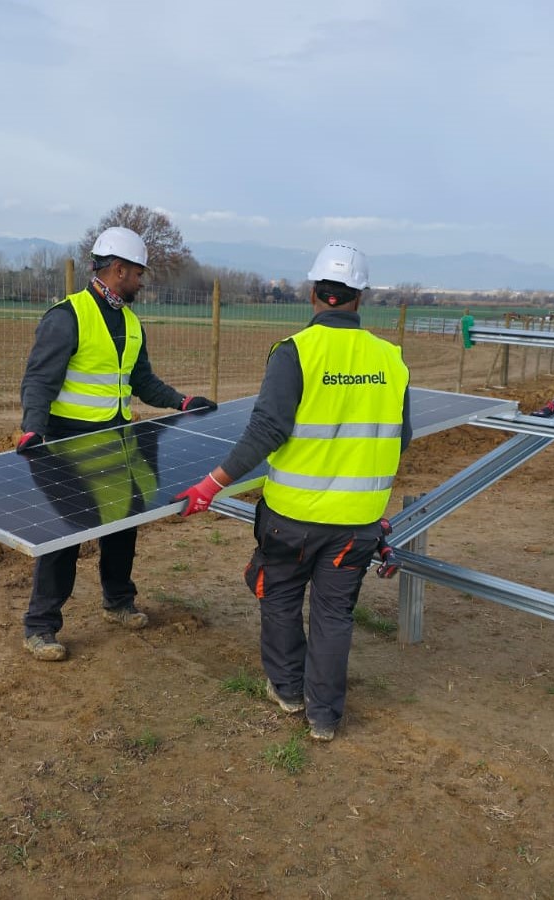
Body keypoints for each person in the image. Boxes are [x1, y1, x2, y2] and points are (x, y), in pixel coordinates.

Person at [175, 240, 411, 742]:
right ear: (358, 296)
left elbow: (267, 430)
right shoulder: (390, 358)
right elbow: (401, 437)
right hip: (357, 523)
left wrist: (212, 484)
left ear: (313, 292)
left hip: (292, 518)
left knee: (280, 600)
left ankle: (287, 691)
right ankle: (324, 718)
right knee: (333, 615)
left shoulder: (295, 352)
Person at [17, 225, 216, 661]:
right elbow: (38, 380)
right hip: (69, 444)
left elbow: (141, 380)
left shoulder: (130, 320)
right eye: (138, 273)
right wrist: (32, 428)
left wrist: (181, 401)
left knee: (124, 525)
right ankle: (40, 626)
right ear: (118, 269)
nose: (142, 282)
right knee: (63, 537)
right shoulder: (67, 317)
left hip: (119, 440)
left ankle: (119, 601)